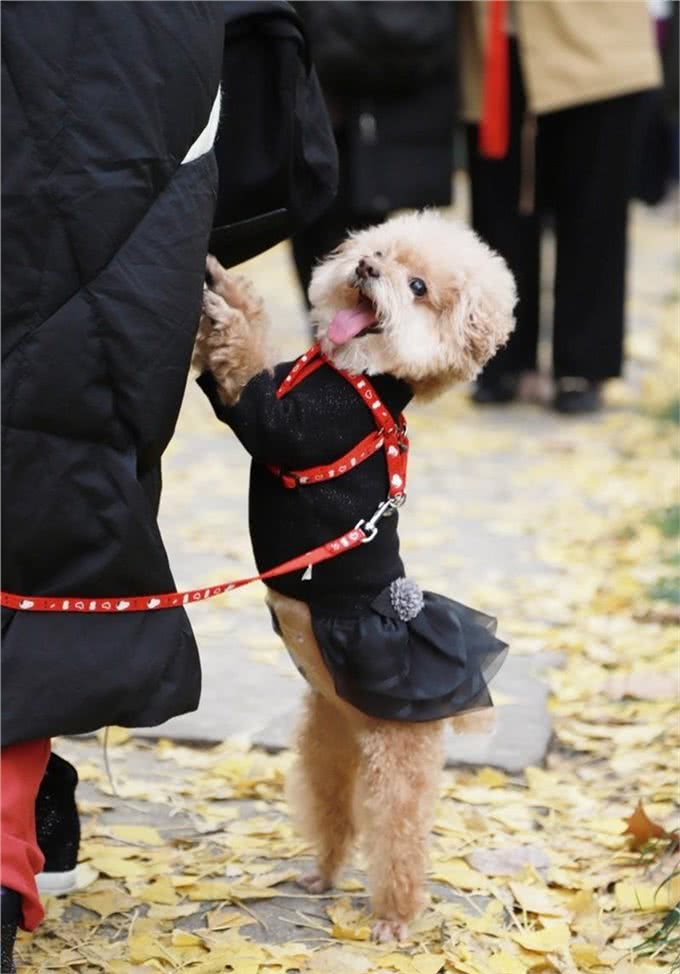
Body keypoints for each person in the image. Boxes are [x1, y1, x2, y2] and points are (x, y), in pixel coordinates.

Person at [1, 3, 336, 971]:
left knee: (58, 455)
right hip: (137, 86)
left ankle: (27, 812)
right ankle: (26, 811)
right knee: (65, 460)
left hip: (118, 89)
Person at [460, 0, 662, 413]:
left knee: (594, 207)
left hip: (596, 38)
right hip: (493, 37)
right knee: (499, 205)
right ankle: (499, 355)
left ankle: (583, 363)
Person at [291, 1, 457, 304]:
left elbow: (418, 27)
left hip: (380, 102)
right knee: (323, 262)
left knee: (367, 261)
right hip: (312, 105)